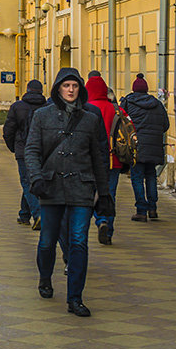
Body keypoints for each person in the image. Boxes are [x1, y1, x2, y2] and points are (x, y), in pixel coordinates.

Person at [24, 67, 113, 318]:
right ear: (58, 88)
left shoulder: (91, 118)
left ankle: (75, 298)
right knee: (47, 241)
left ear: (80, 89)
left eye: (74, 86)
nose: (71, 90)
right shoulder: (42, 116)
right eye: (66, 86)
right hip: (50, 187)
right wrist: (37, 178)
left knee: (78, 243)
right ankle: (45, 277)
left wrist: (104, 194)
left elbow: (99, 158)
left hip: (81, 188)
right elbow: (32, 150)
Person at [121, 74, 170, 222]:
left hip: (136, 147)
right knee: (150, 176)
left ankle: (141, 210)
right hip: (153, 147)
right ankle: (153, 208)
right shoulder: (156, 104)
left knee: (137, 177)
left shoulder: (128, 102)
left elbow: (121, 123)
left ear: (134, 89)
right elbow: (165, 125)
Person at [3, 79, 49, 228]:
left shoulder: (18, 106)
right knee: (32, 179)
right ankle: (24, 214)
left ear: (27, 89)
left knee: (27, 181)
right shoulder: (47, 107)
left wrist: (14, 147)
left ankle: (38, 214)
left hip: (23, 150)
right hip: (42, 150)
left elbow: (8, 130)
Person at [83, 71, 122, 245]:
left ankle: (86, 225)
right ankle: (106, 224)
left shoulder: (86, 109)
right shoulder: (116, 109)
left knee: (87, 195)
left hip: (90, 160)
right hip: (114, 159)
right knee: (108, 193)